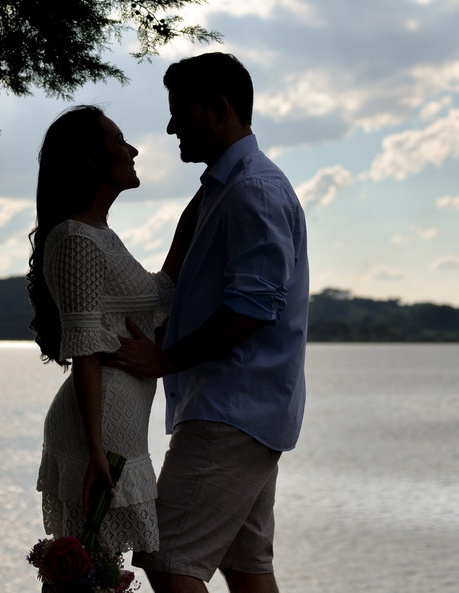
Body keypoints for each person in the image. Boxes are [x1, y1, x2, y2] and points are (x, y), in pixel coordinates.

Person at [108, 53, 309, 593]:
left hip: (233, 409)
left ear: (219, 109)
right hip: (245, 408)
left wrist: (163, 359)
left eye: (181, 112)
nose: (172, 126)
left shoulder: (252, 190)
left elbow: (253, 308)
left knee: (167, 558)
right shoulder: (226, 187)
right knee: (246, 568)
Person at [29, 105, 200, 555]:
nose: (134, 149)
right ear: (91, 159)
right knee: (91, 572)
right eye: (120, 141)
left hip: (115, 424)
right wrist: (97, 452)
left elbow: (162, 297)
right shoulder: (76, 239)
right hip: (100, 430)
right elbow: (86, 348)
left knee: (98, 572)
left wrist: (204, 199)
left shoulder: (99, 234)